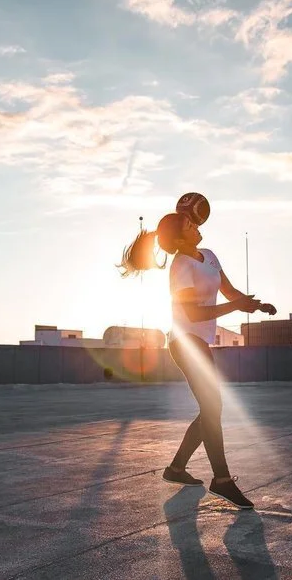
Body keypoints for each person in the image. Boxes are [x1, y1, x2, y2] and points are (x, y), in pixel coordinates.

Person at [119, 212, 275, 509]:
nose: (197, 226)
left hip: (199, 342)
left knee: (209, 408)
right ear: (178, 240)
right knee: (212, 407)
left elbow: (228, 291)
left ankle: (176, 469)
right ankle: (222, 480)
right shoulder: (180, 266)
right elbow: (194, 315)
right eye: (190, 226)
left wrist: (253, 304)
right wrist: (235, 306)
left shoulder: (209, 256)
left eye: (194, 223)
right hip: (185, 342)